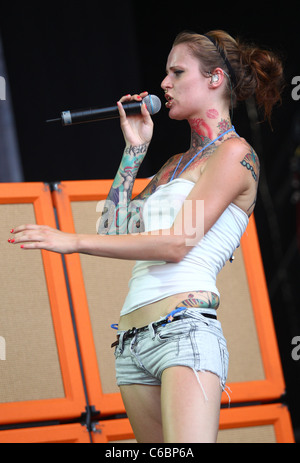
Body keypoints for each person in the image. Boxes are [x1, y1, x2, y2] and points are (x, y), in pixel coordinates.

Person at [9, 30, 284, 443]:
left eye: (176, 72)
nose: (164, 85)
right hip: (133, 341)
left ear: (215, 79)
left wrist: (72, 241)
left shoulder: (234, 154)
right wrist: (133, 152)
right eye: (165, 74)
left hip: (184, 330)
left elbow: (177, 243)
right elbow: (114, 225)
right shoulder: (175, 164)